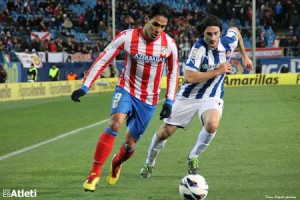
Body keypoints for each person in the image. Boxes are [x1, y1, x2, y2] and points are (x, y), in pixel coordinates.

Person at [70, 2, 179, 192]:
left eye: (162, 26)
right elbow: (104, 58)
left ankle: (117, 163)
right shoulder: (127, 37)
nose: (158, 30)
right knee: (115, 123)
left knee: (129, 144)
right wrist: (85, 86)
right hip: (126, 89)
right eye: (155, 24)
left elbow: (173, 72)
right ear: (146, 19)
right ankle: (94, 173)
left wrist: (169, 101)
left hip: (149, 99)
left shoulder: (169, 44)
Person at [140, 15, 253, 178]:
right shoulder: (198, 49)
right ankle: (149, 163)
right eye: (209, 34)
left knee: (212, 124)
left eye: (215, 33)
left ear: (220, 32)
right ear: (203, 34)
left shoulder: (228, 42)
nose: (213, 38)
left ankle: (193, 156)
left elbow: (236, 31)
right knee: (165, 133)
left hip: (212, 96)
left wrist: (244, 55)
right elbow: (189, 77)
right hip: (188, 96)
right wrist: (218, 71)